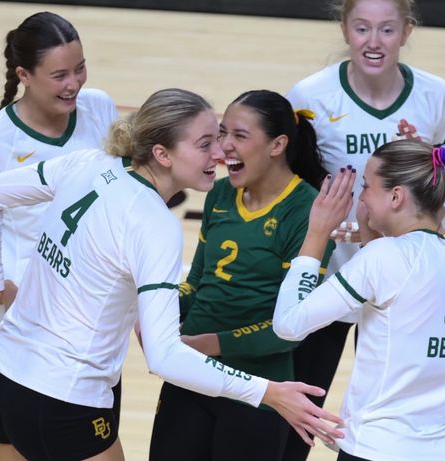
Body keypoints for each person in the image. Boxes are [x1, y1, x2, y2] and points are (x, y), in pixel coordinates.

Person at [0, 88, 343, 461]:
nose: (219, 153)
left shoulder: (91, 162)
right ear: (163, 154)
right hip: (63, 399)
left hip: (0, 377)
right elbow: (165, 357)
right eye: (205, 143)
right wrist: (268, 391)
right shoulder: (153, 222)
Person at [272, 139, 445, 461]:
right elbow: (404, 294)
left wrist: (316, 234)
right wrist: (372, 238)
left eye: (366, 187)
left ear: (396, 196)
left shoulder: (384, 257)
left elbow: (288, 324)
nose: (360, 198)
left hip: (383, 447)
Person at [283, 1, 445, 458]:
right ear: (344, 28)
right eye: (361, 28)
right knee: (297, 418)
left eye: (386, 30)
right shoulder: (309, 96)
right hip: (329, 276)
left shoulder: (435, 96)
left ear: (407, 31)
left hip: (401, 285)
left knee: (388, 414)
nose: (373, 42)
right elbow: (291, 182)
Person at [148, 90, 332, 461]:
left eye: (239, 136)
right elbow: (197, 283)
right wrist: (151, 308)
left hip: (260, 391)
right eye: (221, 133)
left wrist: (206, 344)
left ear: (277, 145)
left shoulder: (308, 211)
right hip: (192, 375)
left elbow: (289, 328)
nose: (223, 147)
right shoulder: (219, 194)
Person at [0, 11, 118, 352]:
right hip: (21, 331)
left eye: (79, 68)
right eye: (59, 75)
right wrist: (2, 288)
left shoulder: (100, 108)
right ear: (24, 75)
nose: (74, 83)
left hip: (95, 328)